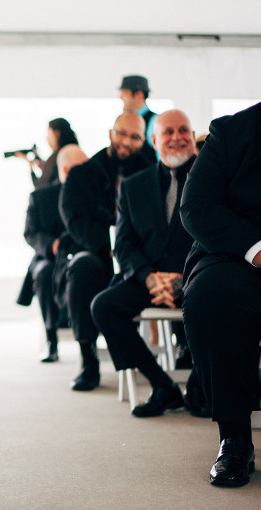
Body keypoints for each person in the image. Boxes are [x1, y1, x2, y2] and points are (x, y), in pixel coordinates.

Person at [90, 110, 206, 417]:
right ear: (154, 141)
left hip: (198, 278)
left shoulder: (211, 178)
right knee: (103, 306)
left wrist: (183, 278)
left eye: (184, 130)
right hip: (149, 280)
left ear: (192, 136)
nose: (177, 137)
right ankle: (163, 386)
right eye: (168, 131)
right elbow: (124, 245)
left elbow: (216, 236)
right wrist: (150, 278)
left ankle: (199, 385)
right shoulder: (132, 186)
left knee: (222, 302)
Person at [181, 100, 261, 487]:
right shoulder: (231, 132)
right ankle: (235, 439)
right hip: (237, 252)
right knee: (213, 297)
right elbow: (196, 206)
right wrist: (257, 249)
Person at [58, 112, 152, 391]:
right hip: (98, 252)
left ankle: (183, 351)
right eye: (122, 133)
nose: (126, 141)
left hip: (140, 256)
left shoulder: (151, 172)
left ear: (143, 140)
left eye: (135, 137)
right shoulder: (83, 173)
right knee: (82, 268)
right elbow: (74, 220)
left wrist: (130, 248)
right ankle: (88, 357)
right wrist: (110, 244)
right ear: (111, 133)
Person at [18, 144, 87, 362]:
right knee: (44, 272)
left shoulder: (90, 196)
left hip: (79, 253)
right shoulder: (40, 197)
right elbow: (30, 233)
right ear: (65, 170)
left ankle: (88, 341)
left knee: (85, 268)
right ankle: (51, 339)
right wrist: (53, 245)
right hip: (47, 256)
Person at [15, 118, 79, 189]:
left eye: (49, 134)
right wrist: (45, 167)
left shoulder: (57, 157)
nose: (47, 139)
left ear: (57, 133)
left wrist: (30, 164)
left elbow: (40, 186)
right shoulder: (75, 151)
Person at [119, 74, 158, 162]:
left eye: (124, 93)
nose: (120, 97)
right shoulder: (126, 121)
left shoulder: (155, 122)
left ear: (139, 94)